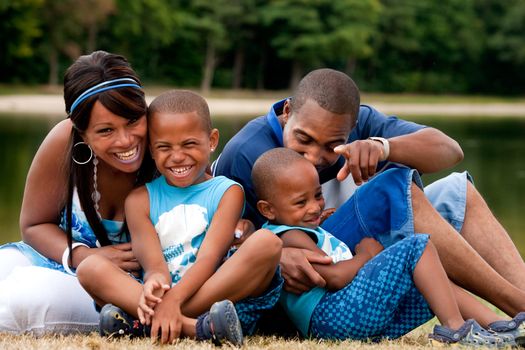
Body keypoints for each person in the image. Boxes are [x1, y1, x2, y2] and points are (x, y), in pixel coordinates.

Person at [213, 68, 525, 330]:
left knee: (458, 192)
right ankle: (515, 305)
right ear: (287, 112)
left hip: (350, 249)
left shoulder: (358, 121)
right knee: (392, 186)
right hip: (312, 288)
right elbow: (221, 240)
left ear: (351, 128)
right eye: (303, 139)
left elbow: (450, 150)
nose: (314, 158)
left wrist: (383, 147)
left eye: (332, 145)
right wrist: (277, 255)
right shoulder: (246, 153)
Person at [252, 147, 525, 346]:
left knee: (431, 278)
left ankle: (499, 327)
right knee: (418, 246)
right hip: (333, 316)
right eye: (301, 203)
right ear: (268, 209)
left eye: (317, 195)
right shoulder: (287, 236)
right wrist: (365, 255)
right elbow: (333, 278)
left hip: (345, 315)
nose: (314, 206)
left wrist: (321, 224)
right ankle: (455, 327)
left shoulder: (300, 230)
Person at [76, 90, 282, 345]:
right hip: (163, 295)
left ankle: (146, 324)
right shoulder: (139, 200)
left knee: (268, 243)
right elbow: (154, 266)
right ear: (151, 149)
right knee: (89, 268)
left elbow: (209, 259)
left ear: (212, 140)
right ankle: (198, 329)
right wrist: (157, 284)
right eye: (164, 147)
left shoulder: (227, 191)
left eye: (189, 144)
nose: (177, 156)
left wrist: (173, 301)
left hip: (212, 294)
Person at [0, 51, 158, 334]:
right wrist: (83, 256)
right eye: (106, 130)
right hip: (63, 259)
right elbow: (34, 225)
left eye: (133, 121)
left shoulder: (167, 142)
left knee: (24, 295)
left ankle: (130, 321)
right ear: (81, 132)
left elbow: (210, 200)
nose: (125, 140)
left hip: (123, 287)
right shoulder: (64, 142)